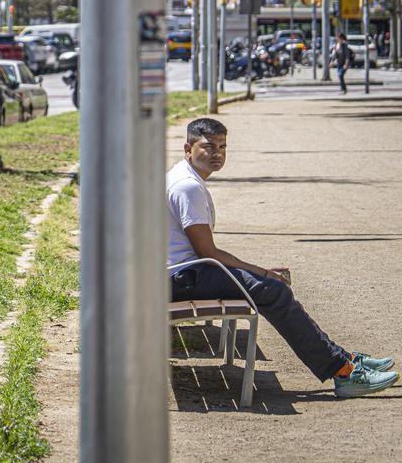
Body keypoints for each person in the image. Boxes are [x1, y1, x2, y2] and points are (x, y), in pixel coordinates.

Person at [167, 117, 396, 398]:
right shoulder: (187, 187)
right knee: (273, 291)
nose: (217, 153)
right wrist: (262, 273)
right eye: (209, 146)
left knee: (271, 289)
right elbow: (208, 253)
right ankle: (343, 371)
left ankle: (344, 360)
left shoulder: (184, 177)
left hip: (184, 272)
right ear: (188, 148)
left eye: (223, 147)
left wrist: (259, 272)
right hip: (183, 277)